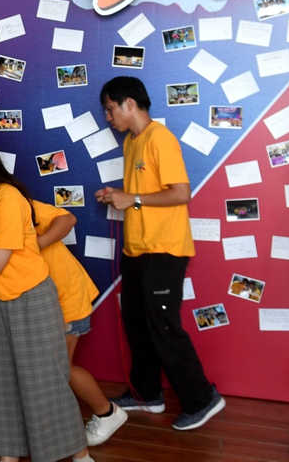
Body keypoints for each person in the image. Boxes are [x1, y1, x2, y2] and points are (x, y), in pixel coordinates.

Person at [0, 121, 92, 462]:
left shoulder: (6, 196)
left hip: (30, 299)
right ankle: (8, 456)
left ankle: (81, 456)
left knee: (45, 383)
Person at [93, 76, 224, 431]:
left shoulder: (160, 139)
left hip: (163, 250)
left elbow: (181, 193)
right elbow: (142, 194)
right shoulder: (131, 142)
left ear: (129, 103)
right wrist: (118, 196)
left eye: (110, 109)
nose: (108, 117)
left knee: (163, 328)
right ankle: (147, 393)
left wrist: (131, 199)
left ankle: (203, 399)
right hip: (136, 249)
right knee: (137, 326)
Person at [28, 197, 127, 448]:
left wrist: (33, 246)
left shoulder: (15, 202)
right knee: (44, 368)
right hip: (40, 303)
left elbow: (67, 219)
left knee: (59, 368)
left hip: (66, 300)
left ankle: (106, 412)